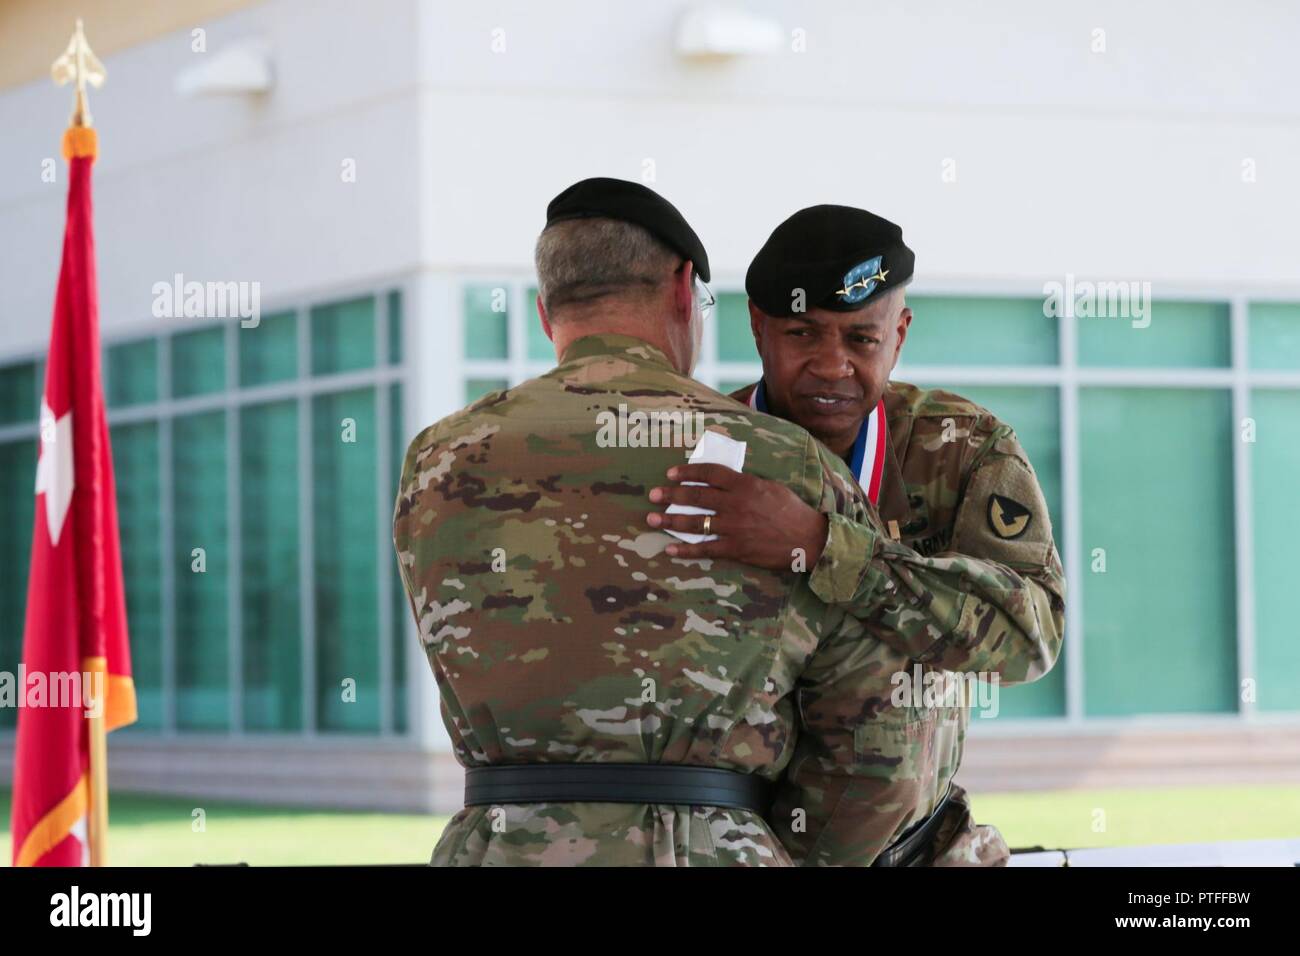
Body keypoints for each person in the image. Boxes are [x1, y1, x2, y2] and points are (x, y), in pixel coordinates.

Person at [393, 180, 926, 866]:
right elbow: (881, 736)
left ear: (545, 313)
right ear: (683, 291)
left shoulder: (438, 458)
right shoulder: (785, 461)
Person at [648, 205, 1066, 865]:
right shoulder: (707, 449)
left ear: (898, 334)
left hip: (910, 843)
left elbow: (1028, 640)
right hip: (734, 840)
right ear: (758, 326)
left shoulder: (956, 448)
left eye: (861, 339)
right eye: (802, 333)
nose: (830, 365)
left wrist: (822, 546)